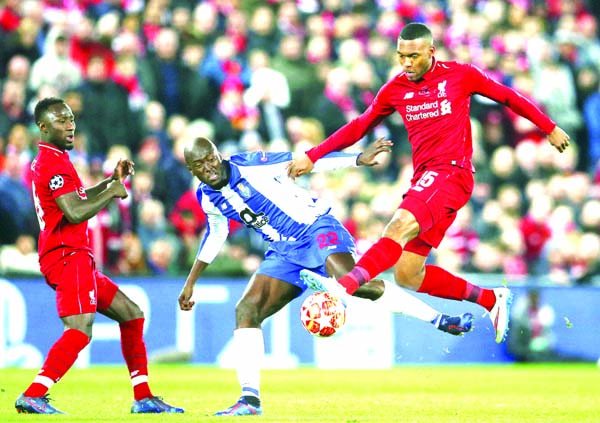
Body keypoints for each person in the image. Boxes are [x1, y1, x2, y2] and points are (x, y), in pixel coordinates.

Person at [287, 22, 571, 344]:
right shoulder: (394, 90)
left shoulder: (461, 75)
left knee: (397, 226)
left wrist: (548, 127)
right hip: (427, 179)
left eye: (413, 56)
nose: (407, 63)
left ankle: (341, 289)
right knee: (408, 274)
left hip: (452, 173)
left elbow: (507, 96)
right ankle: (491, 300)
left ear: (431, 51)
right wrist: (314, 155)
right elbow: (359, 126)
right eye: (401, 56)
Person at [178, 136, 474, 417]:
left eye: (212, 159)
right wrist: (191, 283)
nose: (209, 168)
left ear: (219, 155)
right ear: (192, 170)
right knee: (246, 310)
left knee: (356, 282)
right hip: (284, 252)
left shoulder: (252, 164)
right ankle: (249, 400)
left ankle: (439, 319)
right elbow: (216, 234)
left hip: (316, 227)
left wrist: (357, 158)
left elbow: (309, 161)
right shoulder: (208, 199)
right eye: (200, 166)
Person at [15, 97, 183, 415]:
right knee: (79, 330)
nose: (70, 125)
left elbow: (76, 199)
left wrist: (111, 182)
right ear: (43, 127)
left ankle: (143, 397)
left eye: (71, 119)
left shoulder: (54, 160)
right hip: (67, 256)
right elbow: (75, 211)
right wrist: (110, 194)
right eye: (61, 120)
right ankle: (33, 394)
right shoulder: (53, 163)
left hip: (73, 256)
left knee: (131, 313)